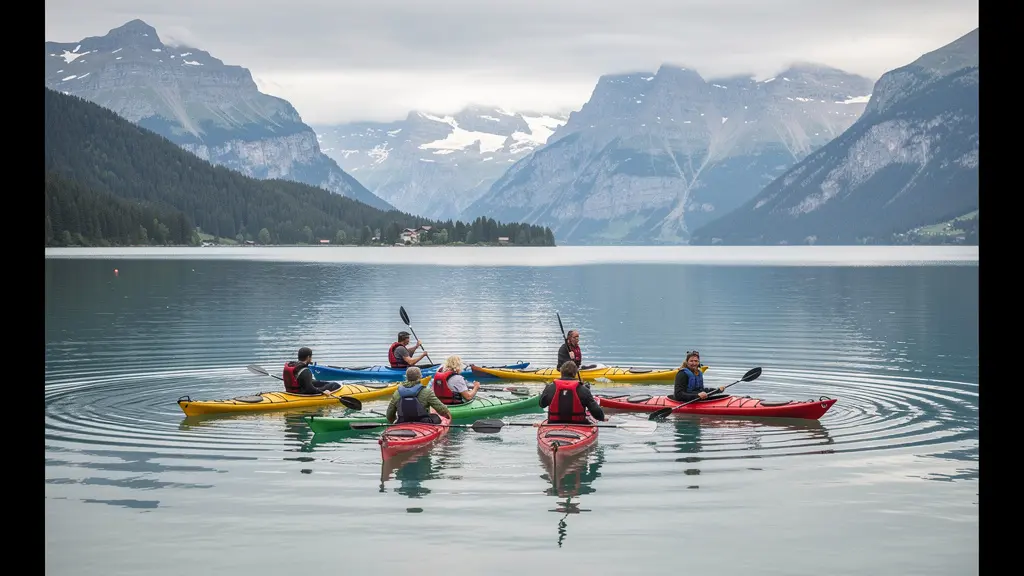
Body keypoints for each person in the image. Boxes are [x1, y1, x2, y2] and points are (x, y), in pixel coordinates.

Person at [538, 361, 607, 423]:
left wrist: (545, 390)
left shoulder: (550, 388)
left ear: (561, 372)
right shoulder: (583, 389)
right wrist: (602, 418)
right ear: (575, 373)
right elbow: (595, 411)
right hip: (578, 424)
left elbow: (542, 404)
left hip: (553, 423)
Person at [385, 366, 452, 424]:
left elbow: (389, 415)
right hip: (423, 423)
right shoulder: (427, 392)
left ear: (406, 377)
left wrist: (395, 423)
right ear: (420, 377)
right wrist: (449, 419)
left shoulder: (397, 393)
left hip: (402, 422)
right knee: (436, 417)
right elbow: (442, 410)